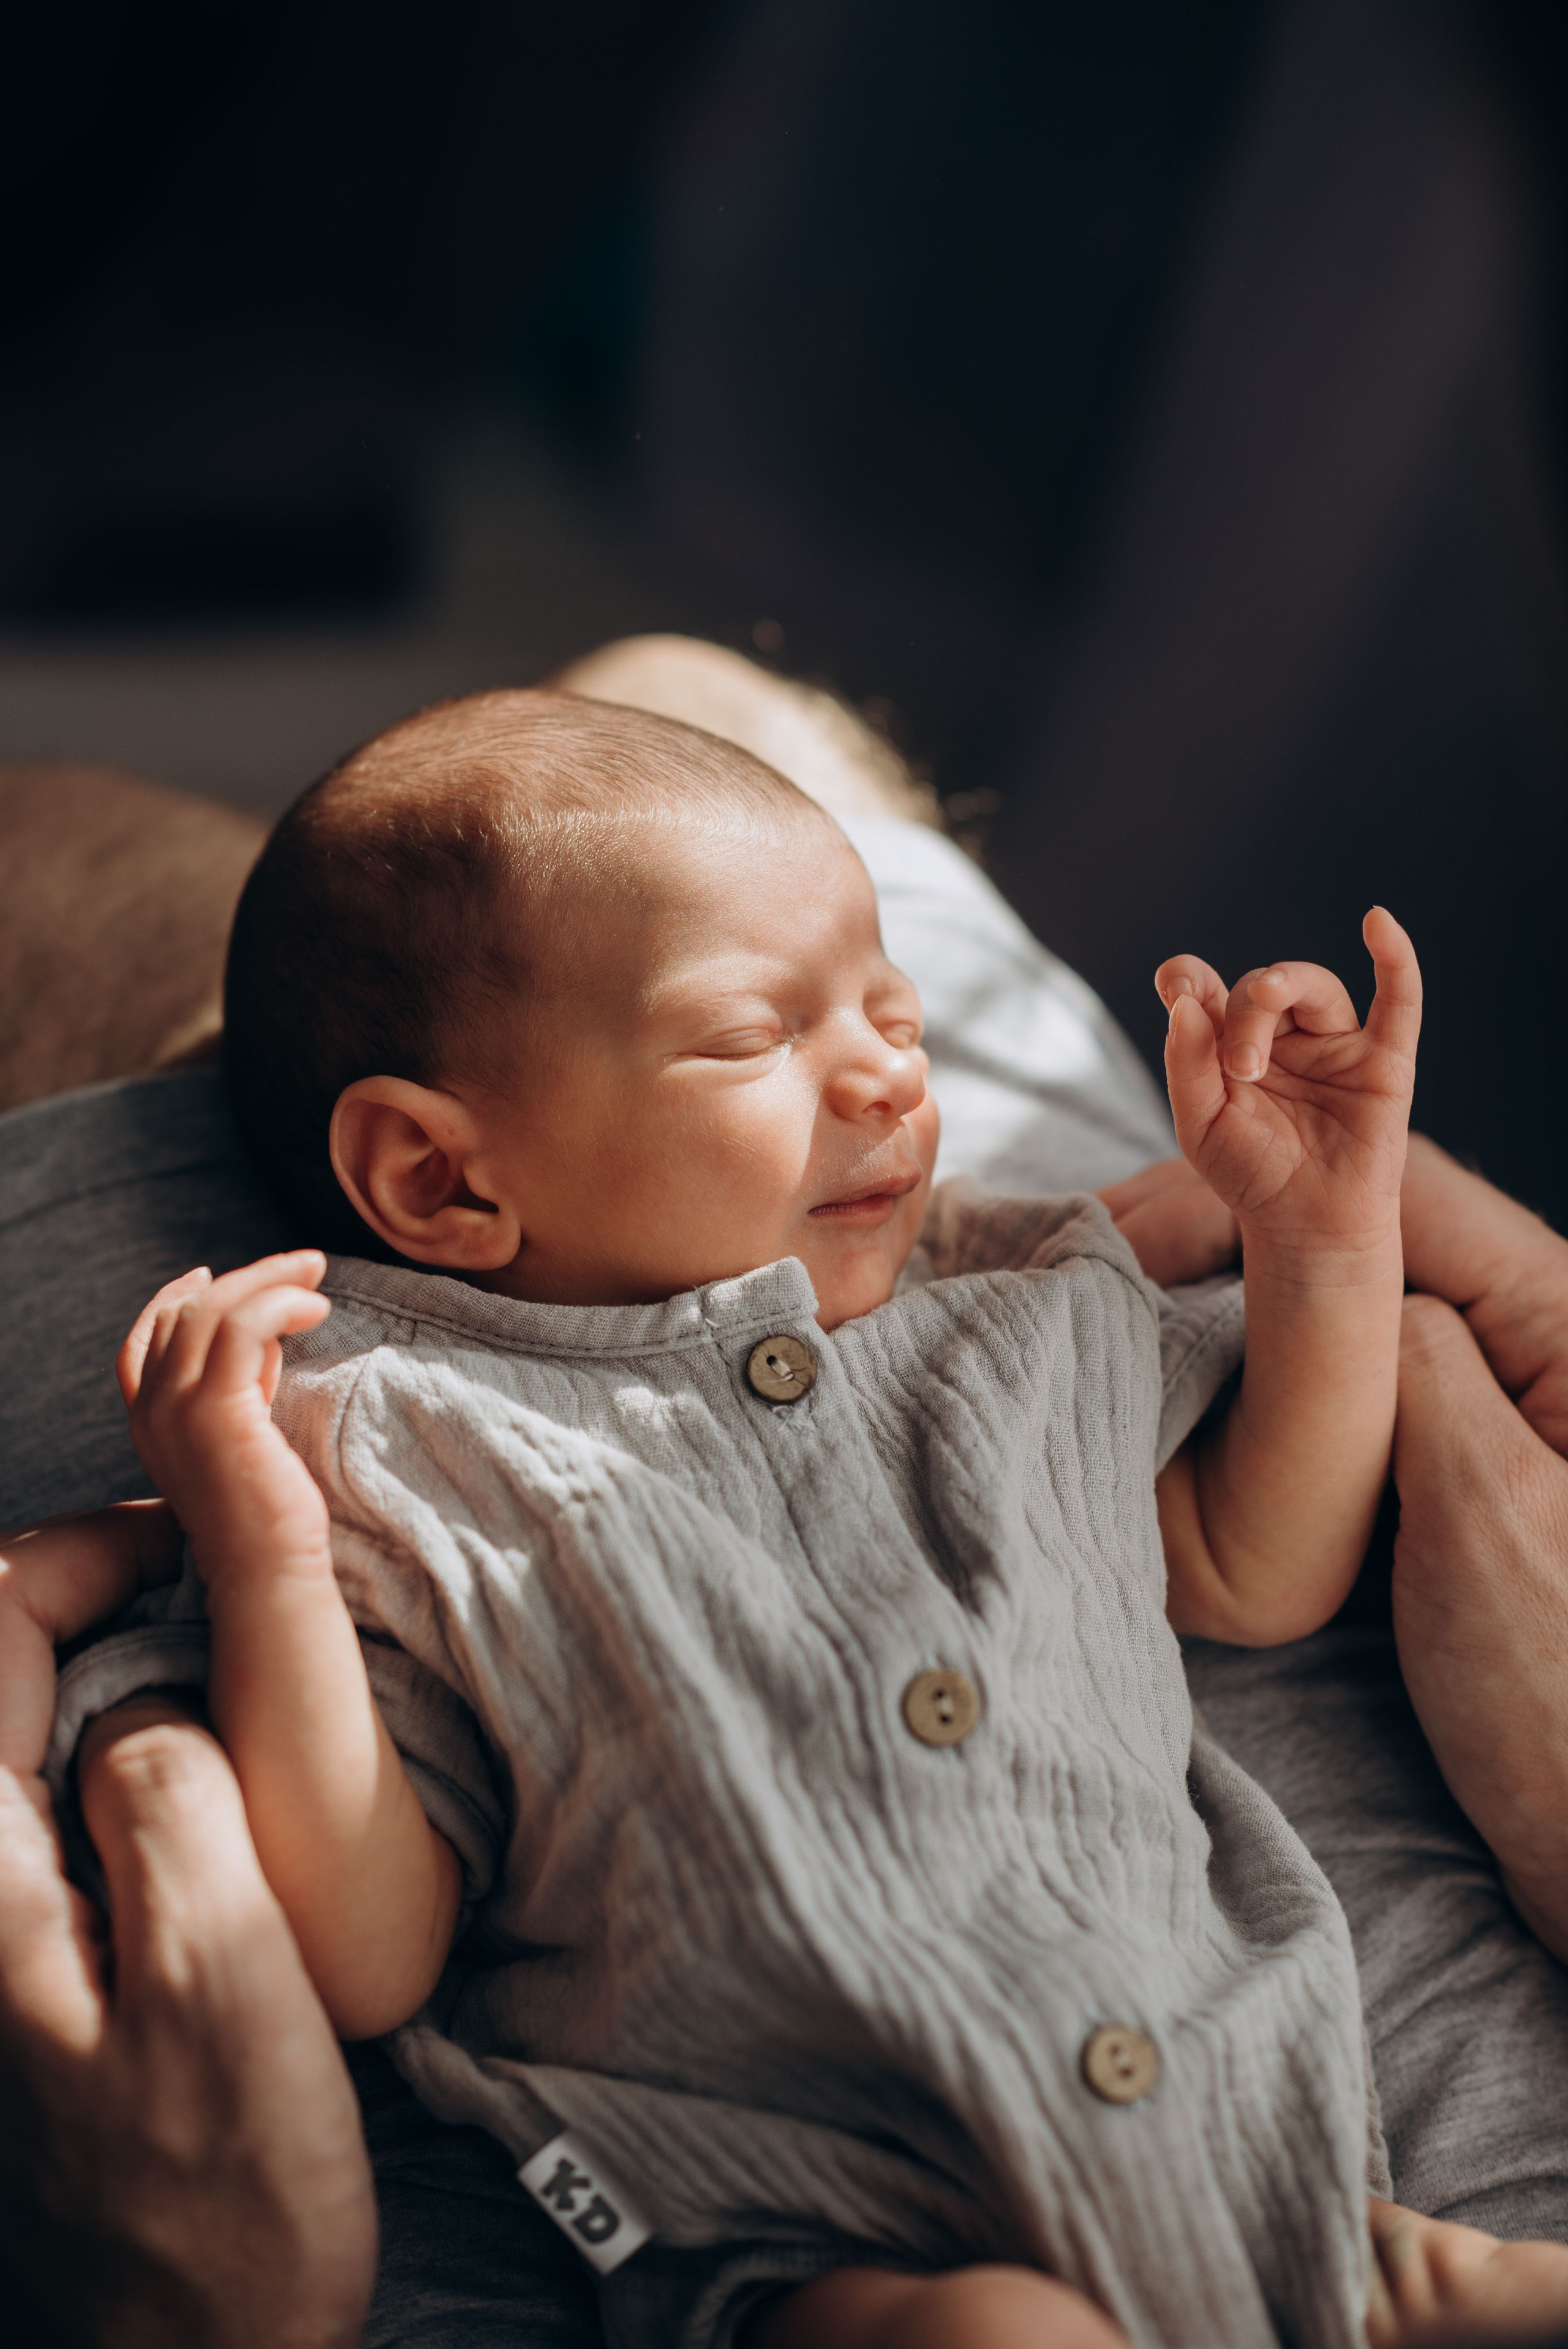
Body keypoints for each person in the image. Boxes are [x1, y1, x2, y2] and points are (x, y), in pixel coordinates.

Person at [11, 687, 1568, 2349]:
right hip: (832, 2230)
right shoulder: (416, 1468)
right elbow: (370, 1949)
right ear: (441, 1182)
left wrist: (1322, 1229)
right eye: (759, 1034)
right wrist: (267, 1559)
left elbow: (1260, 1563)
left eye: (895, 1009)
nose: (894, 1074)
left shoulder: (1007, 1312)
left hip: (1307, 2189)